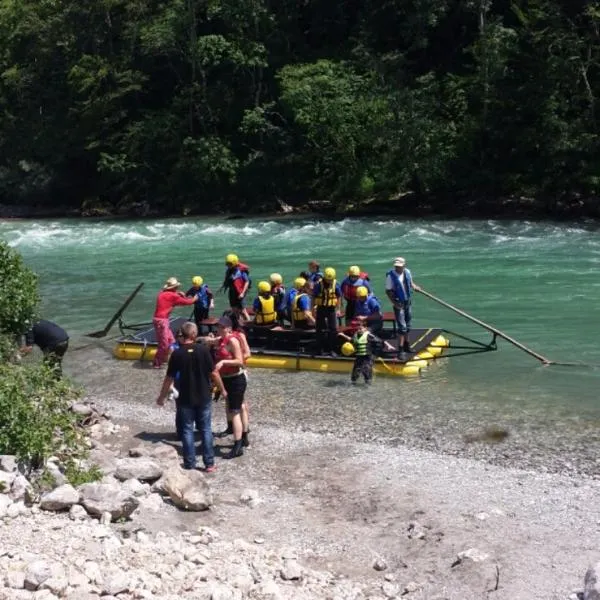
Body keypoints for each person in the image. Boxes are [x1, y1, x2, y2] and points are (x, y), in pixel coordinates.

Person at [156, 322, 226, 472]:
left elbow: (169, 378)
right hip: (203, 396)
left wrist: (161, 397)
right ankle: (209, 464)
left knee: (187, 430)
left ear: (183, 334)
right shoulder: (203, 350)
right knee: (206, 429)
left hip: (185, 397)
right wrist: (223, 390)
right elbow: (213, 373)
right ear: (194, 335)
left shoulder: (177, 353)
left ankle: (190, 464)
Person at [214, 316, 248, 458]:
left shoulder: (232, 341)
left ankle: (237, 446)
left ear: (228, 328)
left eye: (222, 327)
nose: (219, 329)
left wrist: (223, 363)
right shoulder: (220, 340)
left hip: (236, 380)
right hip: (226, 379)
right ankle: (244, 439)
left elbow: (240, 361)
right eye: (218, 327)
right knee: (236, 407)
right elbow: (208, 341)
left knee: (235, 411)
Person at [152, 277, 198, 368]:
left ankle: (169, 359)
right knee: (164, 344)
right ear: (174, 288)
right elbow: (186, 302)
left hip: (158, 319)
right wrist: (195, 299)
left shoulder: (162, 293)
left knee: (171, 340)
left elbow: (170, 297)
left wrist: (178, 294)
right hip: (162, 321)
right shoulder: (173, 296)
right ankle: (157, 363)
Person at [338, 317, 395, 384]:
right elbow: (351, 340)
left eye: (361, 328)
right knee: (355, 373)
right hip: (359, 357)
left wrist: (388, 345)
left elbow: (380, 340)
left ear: (365, 329)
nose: (359, 330)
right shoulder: (356, 335)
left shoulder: (368, 335)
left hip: (367, 357)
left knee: (366, 370)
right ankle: (354, 383)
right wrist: (343, 335)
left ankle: (368, 383)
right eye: (358, 329)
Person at [385, 257, 421, 358]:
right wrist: (394, 303)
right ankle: (400, 350)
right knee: (402, 327)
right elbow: (388, 291)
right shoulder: (390, 276)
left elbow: (410, 283)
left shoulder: (407, 272)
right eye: (396, 266)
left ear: (404, 266)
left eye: (400, 266)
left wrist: (415, 286)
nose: (398, 268)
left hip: (407, 301)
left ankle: (407, 346)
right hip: (398, 303)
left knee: (408, 324)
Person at [312, 267, 342, 356]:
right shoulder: (318, 285)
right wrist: (312, 309)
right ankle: (319, 349)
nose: (329, 281)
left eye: (331, 279)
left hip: (331, 309)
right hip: (321, 308)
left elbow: (339, 296)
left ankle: (332, 349)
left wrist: (338, 309)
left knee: (333, 329)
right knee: (319, 329)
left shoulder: (336, 285)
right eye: (328, 279)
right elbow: (314, 297)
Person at [220, 254, 250, 321]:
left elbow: (247, 282)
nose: (228, 265)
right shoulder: (229, 270)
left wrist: (242, 293)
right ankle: (238, 323)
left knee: (243, 311)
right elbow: (228, 279)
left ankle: (249, 324)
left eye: (229, 264)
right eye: (227, 263)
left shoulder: (241, 271)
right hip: (232, 291)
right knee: (234, 309)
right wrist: (224, 284)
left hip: (240, 292)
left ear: (234, 263)